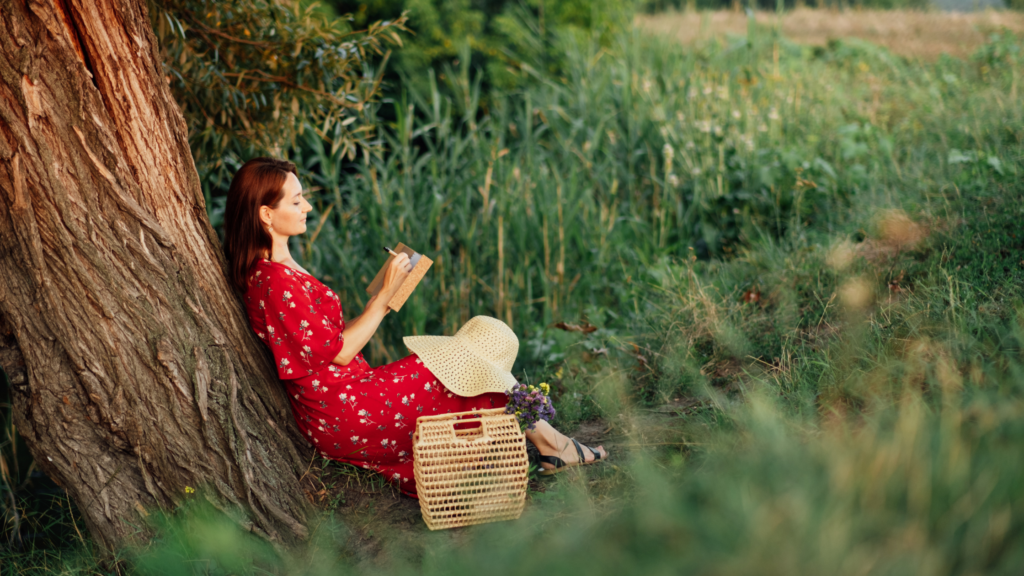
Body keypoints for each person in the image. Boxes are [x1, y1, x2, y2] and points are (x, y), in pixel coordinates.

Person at [223, 157, 606, 496]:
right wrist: (380, 298)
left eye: (303, 196)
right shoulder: (271, 281)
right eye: (296, 201)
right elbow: (339, 352)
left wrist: (389, 296)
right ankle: (553, 445)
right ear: (266, 215)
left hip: (354, 393)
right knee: (454, 360)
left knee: (485, 336)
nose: (307, 206)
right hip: (343, 411)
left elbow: (331, 340)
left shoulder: (284, 269)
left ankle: (545, 442)